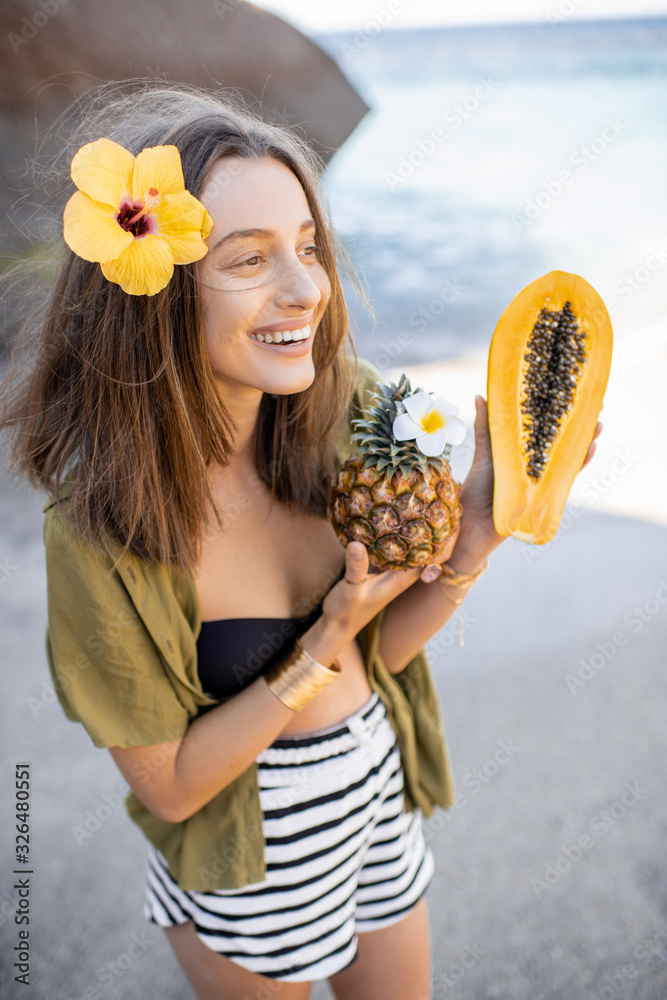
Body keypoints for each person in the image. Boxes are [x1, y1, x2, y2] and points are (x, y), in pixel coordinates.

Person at [0, 82, 601, 1000]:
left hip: (378, 813)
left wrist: (471, 541)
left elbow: (384, 652)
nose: (306, 290)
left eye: (309, 247)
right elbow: (171, 789)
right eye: (249, 259)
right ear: (154, 297)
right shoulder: (98, 533)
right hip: (250, 874)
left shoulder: (347, 412)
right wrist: (322, 638)